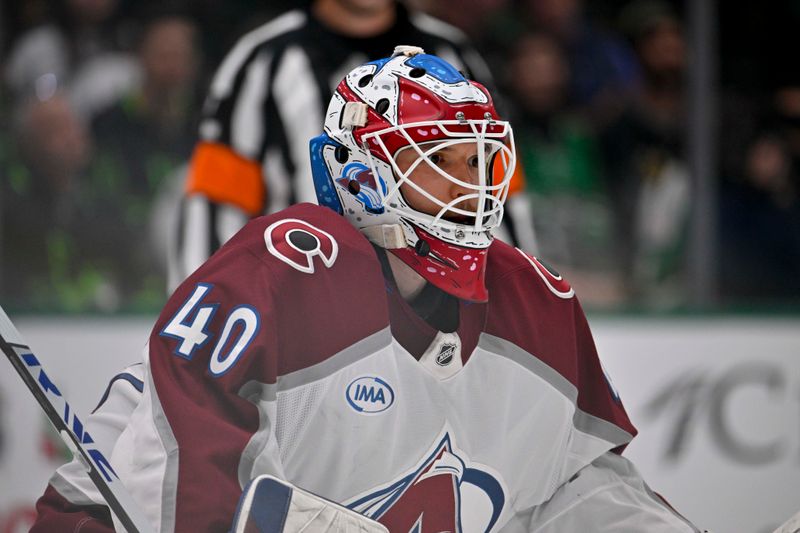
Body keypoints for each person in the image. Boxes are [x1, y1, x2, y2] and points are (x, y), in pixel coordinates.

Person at [31, 48, 700, 532]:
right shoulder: (283, 270)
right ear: (361, 175)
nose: (472, 188)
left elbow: (576, 488)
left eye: (479, 160)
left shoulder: (536, 306)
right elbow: (173, 482)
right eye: (439, 162)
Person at [173, 0, 533, 290]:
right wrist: (210, 306)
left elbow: (498, 192)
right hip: (301, 309)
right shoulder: (262, 60)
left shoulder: (453, 57)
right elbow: (214, 207)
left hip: (440, 308)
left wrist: (511, 297)